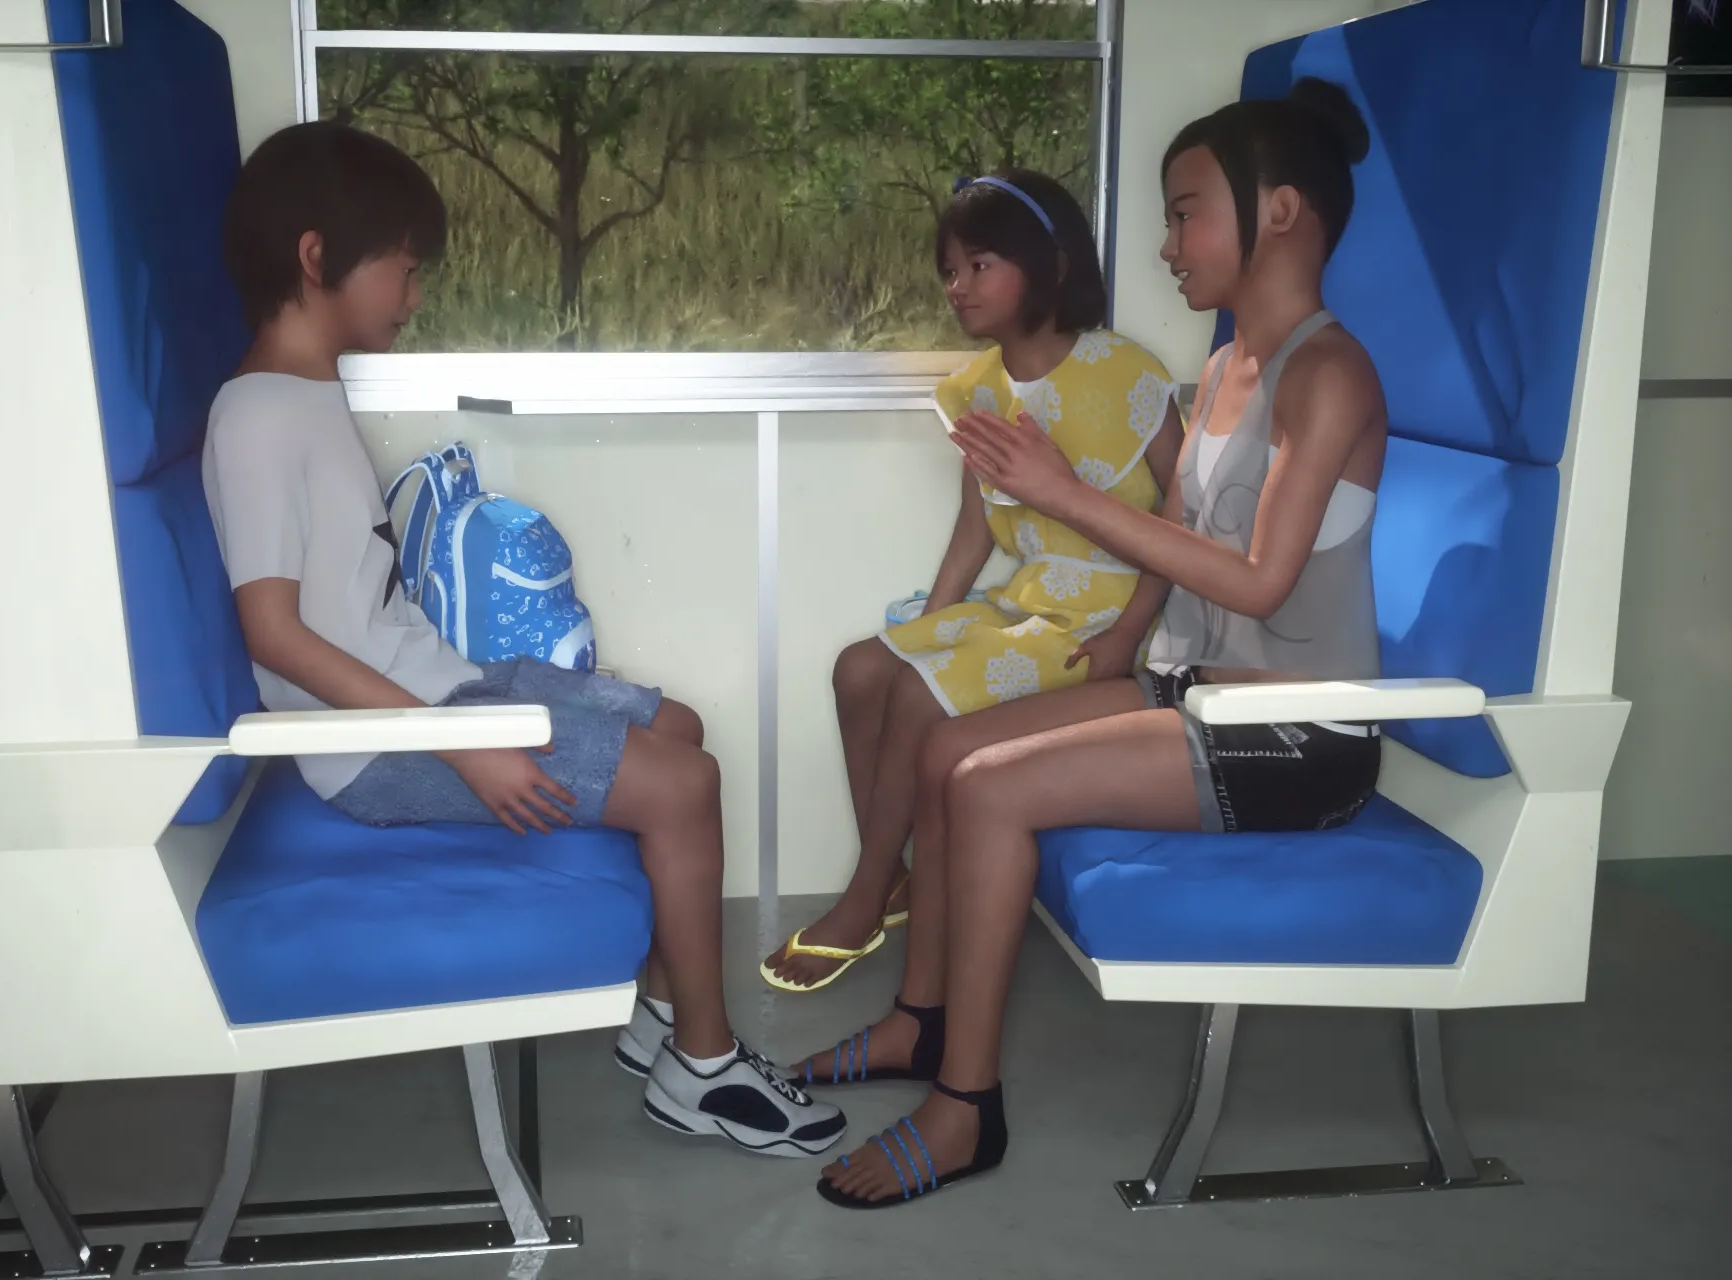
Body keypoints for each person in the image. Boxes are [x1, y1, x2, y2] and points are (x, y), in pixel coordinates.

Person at [203, 121, 844, 1158]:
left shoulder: (307, 393)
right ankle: (704, 1067)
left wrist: (473, 711)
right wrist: (464, 746)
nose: (415, 296)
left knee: (679, 727)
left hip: (443, 687)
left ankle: (660, 1014)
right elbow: (271, 633)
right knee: (682, 785)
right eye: (404, 268)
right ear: (317, 257)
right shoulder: (257, 419)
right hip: (379, 747)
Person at [803, 77, 1387, 1207]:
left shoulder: (1330, 373)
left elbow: (1260, 582)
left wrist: (1065, 494)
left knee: (988, 791)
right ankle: (920, 1021)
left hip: (1293, 732)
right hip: (1191, 688)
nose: (1166, 245)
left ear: (1279, 213)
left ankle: (966, 1105)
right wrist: (1120, 621)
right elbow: (1182, 538)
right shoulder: (1225, 368)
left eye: (1186, 214)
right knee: (945, 752)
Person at [762, 170, 1182, 993]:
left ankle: (863, 896)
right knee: (861, 668)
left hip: (1105, 616)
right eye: (950, 270)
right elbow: (974, 526)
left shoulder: (1127, 372)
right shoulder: (976, 390)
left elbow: (1183, 516)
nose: (958, 285)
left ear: (1052, 263)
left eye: (981, 265)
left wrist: (1130, 632)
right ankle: (892, 873)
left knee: (919, 695)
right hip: (1026, 601)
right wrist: (930, 627)